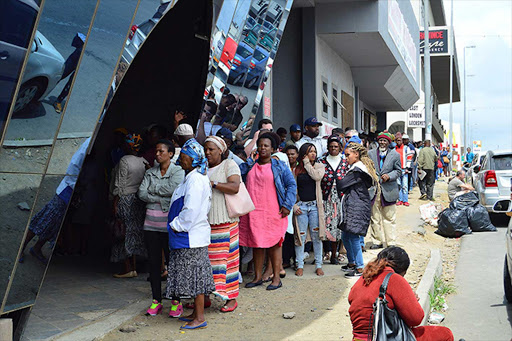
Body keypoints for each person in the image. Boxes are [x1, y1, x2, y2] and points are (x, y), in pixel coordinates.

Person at [348, 247, 454, 341]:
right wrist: (411, 300)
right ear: (402, 270)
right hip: (385, 337)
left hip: (358, 338)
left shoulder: (363, 278)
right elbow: (416, 319)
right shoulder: (394, 279)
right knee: (445, 334)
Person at [166, 139, 214, 329]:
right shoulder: (194, 176)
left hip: (190, 236)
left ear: (193, 159)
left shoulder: (195, 179)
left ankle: (200, 317)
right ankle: (196, 312)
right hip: (191, 235)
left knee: (195, 277)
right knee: (195, 276)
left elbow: (191, 209)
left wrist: (177, 225)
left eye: (185, 156)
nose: (181, 159)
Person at [239, 132, 297, 290]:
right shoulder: (250, 165)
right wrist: (249, 159)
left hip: (273, 212)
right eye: (260, 145)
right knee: (257, 244)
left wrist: (287, 205)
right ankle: (257, 277)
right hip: (253, 212)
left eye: (266, 146)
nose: (262, 148)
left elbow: (291, 185)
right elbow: (237, 174)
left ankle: (276, 279)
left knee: (274, 245)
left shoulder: (279, 166)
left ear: (273, 149)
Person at [19, 138, 91, 264]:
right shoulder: (88, 144)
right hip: (68, 190)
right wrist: (75, 187)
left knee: (55, 225)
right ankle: (21, 248)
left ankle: (37, 248)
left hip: (76, 194)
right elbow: (74, 166)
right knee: (44, 219)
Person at [138, 139, 184, 316]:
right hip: (150, 225)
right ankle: (156, 300)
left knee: (173, 264)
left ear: (170, 154)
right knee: (154, 263)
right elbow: (141, 193)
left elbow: (175, 188)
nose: (157, 154)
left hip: (169, 226)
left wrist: (154, 191)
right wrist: (161, 194)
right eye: (156, 151)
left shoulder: (178, 171)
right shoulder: (150, 172)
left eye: (161, 151)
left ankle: (175, 300)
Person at [203, 136, 241, 312]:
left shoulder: (229, 165)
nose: (207, 152)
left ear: (221, 150)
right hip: (206, 222)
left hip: (226, 222)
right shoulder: (203, 167)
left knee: (228, 262)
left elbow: (235, 187)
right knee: (206, 263)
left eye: (211, 149)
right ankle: (205, 297)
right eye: (206, 149)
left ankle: (231, 299)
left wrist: (214, 184)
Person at [110, 134, 149, 278]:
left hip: (125, 199)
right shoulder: (143, 161)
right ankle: (134, 267)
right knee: (134, 232)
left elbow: (119, 186)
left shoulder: (124, 161)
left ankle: (127, 268)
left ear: (129, 145)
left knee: (122, 232)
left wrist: (114, 204)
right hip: (139, 200)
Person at [339, 142, 379, 277]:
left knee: (354, 236)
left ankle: (360, 267)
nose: (346, 158)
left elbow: (342, 185)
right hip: (355, 205)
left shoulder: (357, 171)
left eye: (348, 155)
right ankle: (352, 263)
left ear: (356, 154)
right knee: (346, 235)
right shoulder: (359, 169)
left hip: (357, 206)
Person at [292, 143, 326, 277]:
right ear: (303, 154)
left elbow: (317, 177)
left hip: (314, 207)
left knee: (317, 236)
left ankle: (319, 264)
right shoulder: (296, 169)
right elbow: (293, 188)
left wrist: (307, 164)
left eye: (314, 151)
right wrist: (294, 205)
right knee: (300, 236)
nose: (313, 154)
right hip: (301, 206)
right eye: (309, 152)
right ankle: (299, 264)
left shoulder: (319, 166)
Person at [367, 132, 401, 249]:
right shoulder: (370, 154)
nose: (382, 142)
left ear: (389, 142)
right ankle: (377, 241)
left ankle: (390, 242)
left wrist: (389, 176)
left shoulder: (395, 155)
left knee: (389, 217)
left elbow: (398, 171)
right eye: (380, 140)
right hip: (374, 190)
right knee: (374, 217)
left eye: (385, 140)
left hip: (389, 190)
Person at [319, 135, 348, 264]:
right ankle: (326, 251)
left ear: (340, 148)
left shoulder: (345, 162)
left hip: (340, 199)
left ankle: (335, 254)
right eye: (331, 146)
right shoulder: (322, 162)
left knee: (337, 226)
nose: (333, 148)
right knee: (325, 224)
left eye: (336, 146)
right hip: (325, 198)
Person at [53, 33, 86, 113]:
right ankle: (41, 92)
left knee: (71, 84)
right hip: (75, 58)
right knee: (59, 76)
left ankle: (58, 101)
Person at [283, 145, 299, 268]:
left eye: (292, 154)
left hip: (299, 205)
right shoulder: (282, 168)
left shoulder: (300, 169)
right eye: (288, 154)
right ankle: (286, 260)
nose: (290, 156)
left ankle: (297, 259)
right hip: (287, 205)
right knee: (287, 234)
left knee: (297, 234)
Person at [394, 133, 414, 207]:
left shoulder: (406, 148)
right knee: (398, 185)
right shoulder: (394, 149)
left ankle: (405, 200)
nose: (399, 142)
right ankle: (400, 200)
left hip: (404, 169)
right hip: (397, 170)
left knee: (405, 186)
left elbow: (409, 158)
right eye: (397, 140)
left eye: (400, 140)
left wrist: (407, 168)